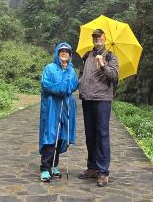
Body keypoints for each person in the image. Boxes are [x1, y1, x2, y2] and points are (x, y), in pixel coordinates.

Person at [78, 28, 118, 187]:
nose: (97, 39)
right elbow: (82, 74)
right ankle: (92, 167)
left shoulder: (110, 56)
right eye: (95, 36)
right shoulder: (87, 55)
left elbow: (114, 76)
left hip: (102, 99)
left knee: (102, 134)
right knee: (90, 135)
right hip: (87, 99)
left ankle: (103, 172)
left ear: (104, 38)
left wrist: (103, 65)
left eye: (99, 36)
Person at [39, 42, 78, 182]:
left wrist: (67, 86)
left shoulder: (71, 70)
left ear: (70, 55)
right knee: (50, 134)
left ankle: (55, 165)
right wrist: (61, 87)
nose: (64, 53)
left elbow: (74, 85)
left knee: (61, 136)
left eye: (67, 52)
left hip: (66, 106)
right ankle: (45, 167)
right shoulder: (49, 68)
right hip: (52, 107)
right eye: (62, 51)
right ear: (57, 53)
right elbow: (45, 84)